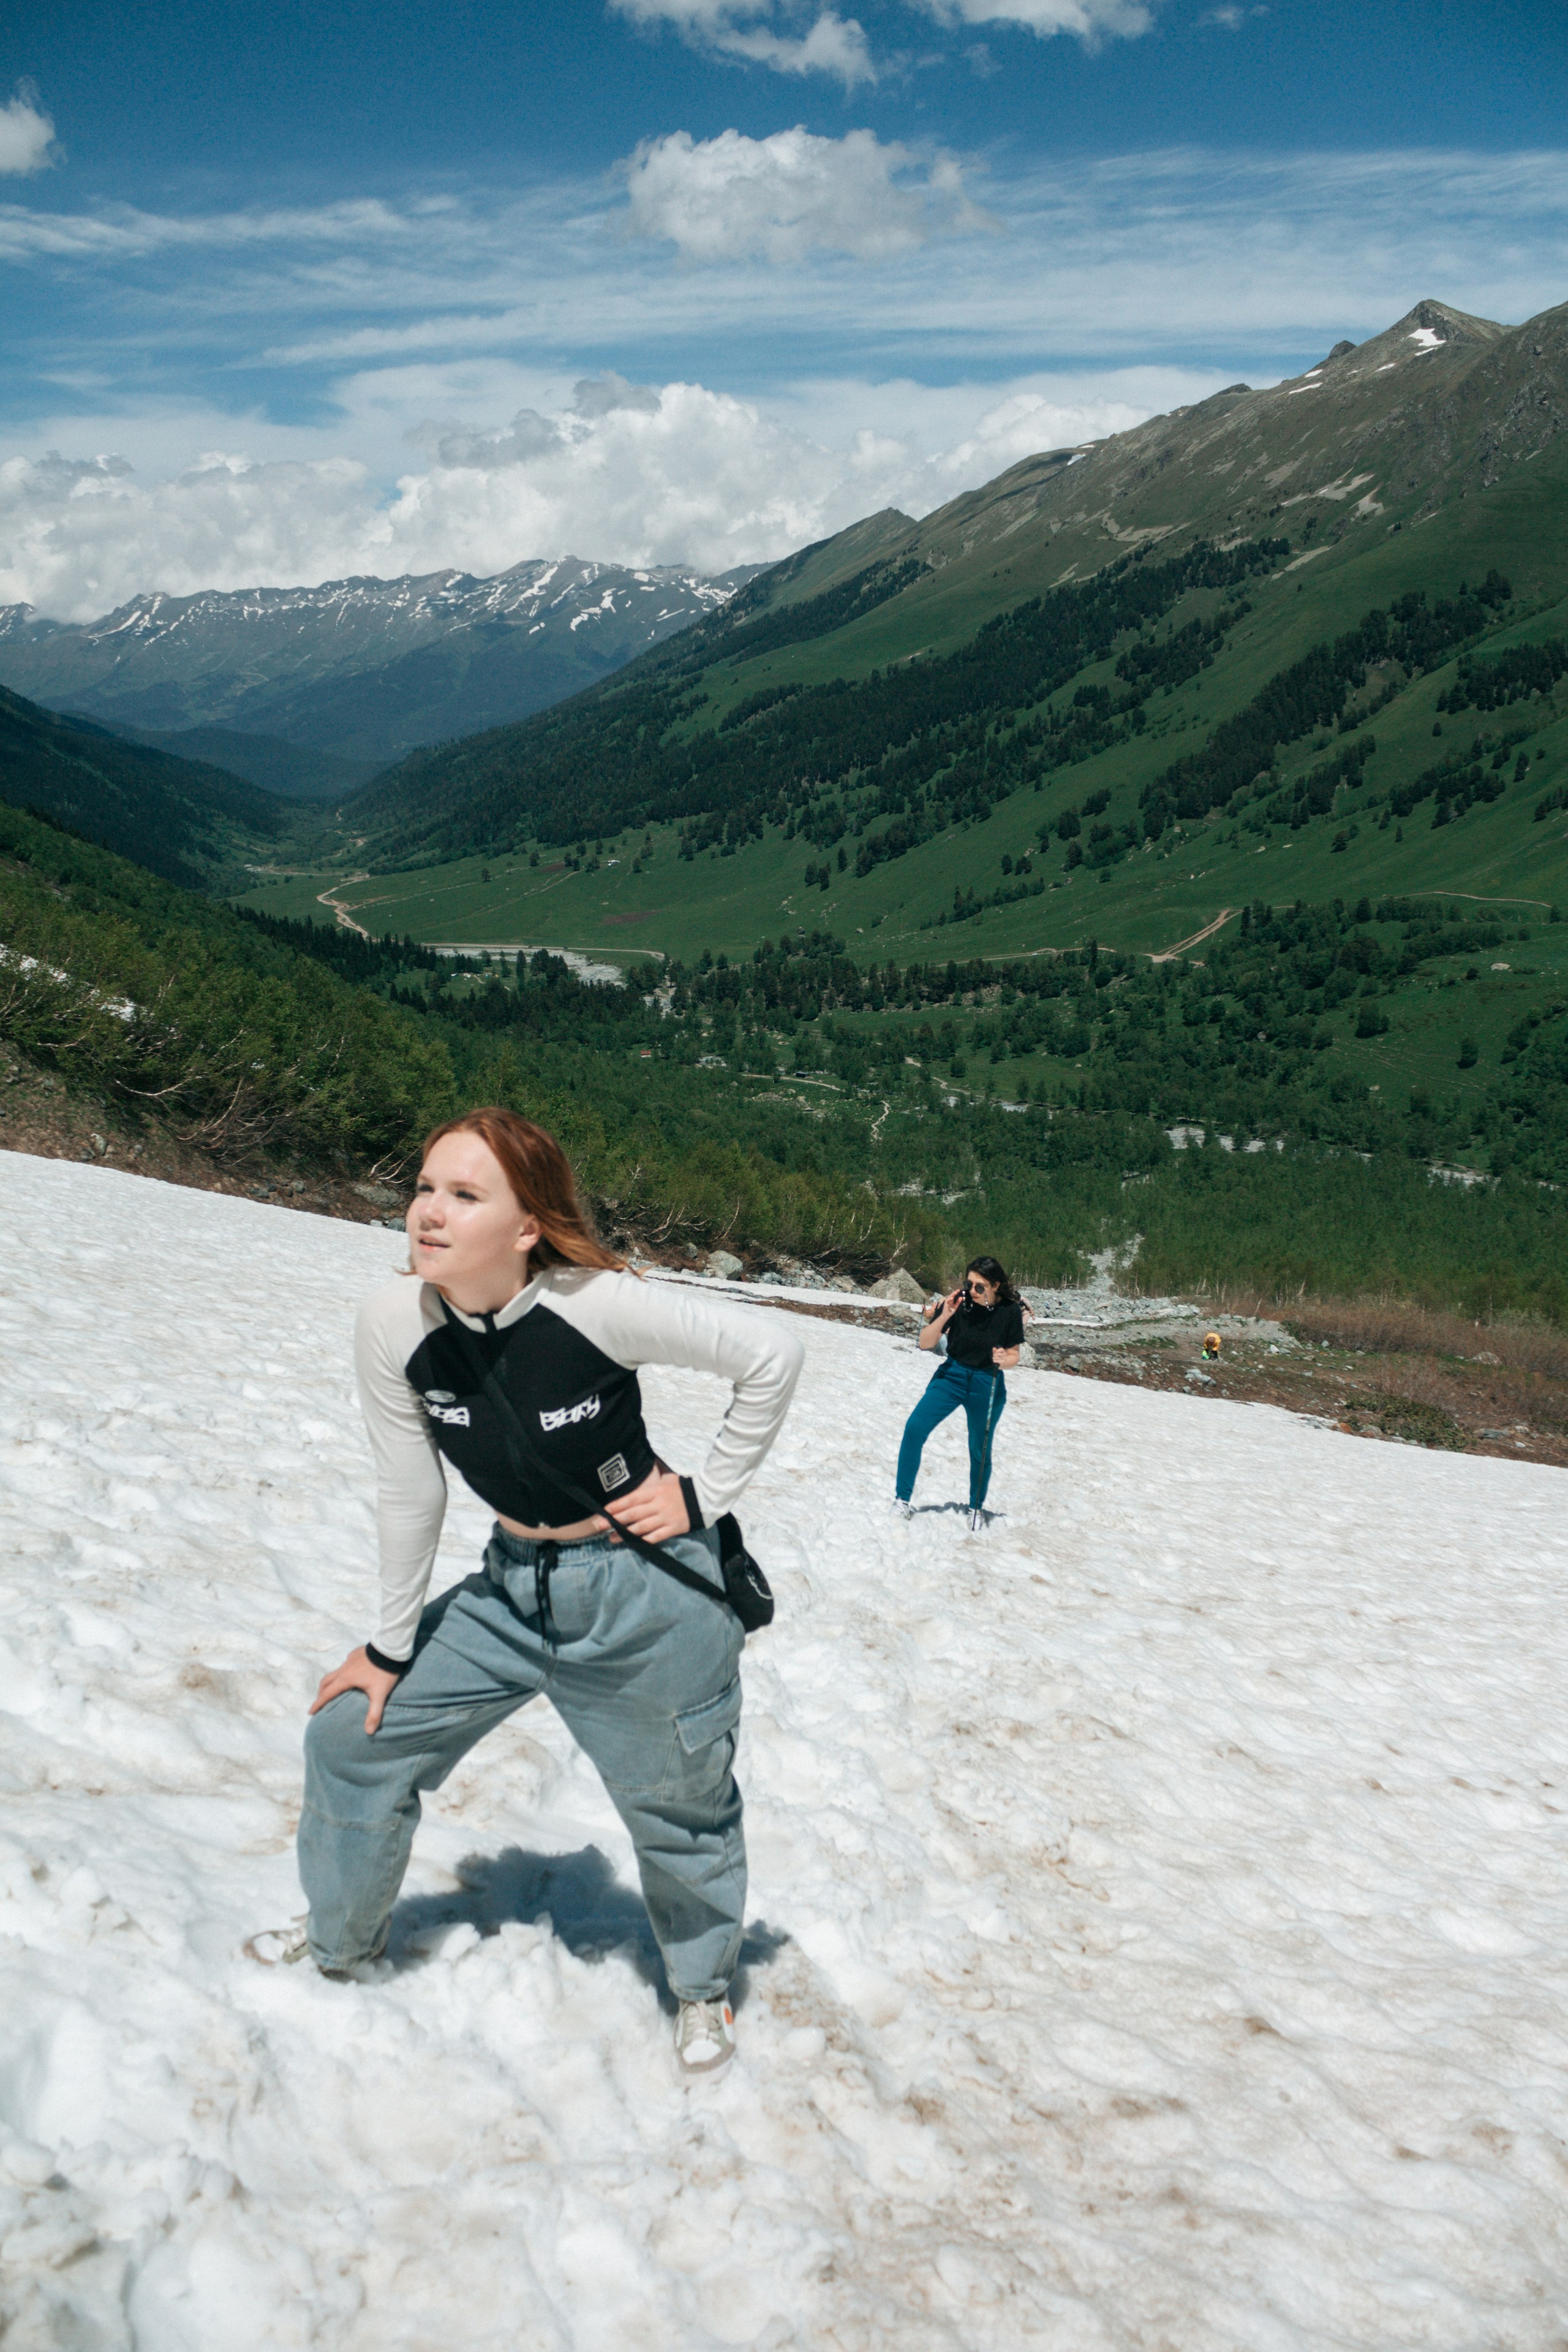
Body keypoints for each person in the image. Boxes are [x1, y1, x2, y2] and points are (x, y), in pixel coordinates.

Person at [254, 1107, 802, 2077]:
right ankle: (340, 1944)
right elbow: (411, 1489)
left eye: (465, 1195)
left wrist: (701, 1495)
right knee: (350, 1738)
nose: (429, 1211)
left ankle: (701, 1988)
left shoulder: (598, 1304)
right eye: (425, 1187)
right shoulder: (395, 1321)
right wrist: (387, 1651)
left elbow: (772, 1357)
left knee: (680, 1810)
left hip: (644, 1598)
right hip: (509, 1593)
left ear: (527, 1227)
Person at [891, 1257, 1023, 1532]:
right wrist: (945, 1315)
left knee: (979, 1448)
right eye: (969, 1284)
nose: (972, 1290)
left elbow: (1014, 1356)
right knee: (914, 1428)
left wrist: (1003, 1360)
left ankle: (976, 1507)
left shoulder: (1010, 1311)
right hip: (951, 1375)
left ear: (995, 1286)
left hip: (987, 1383)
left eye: (980, 1286)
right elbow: (924, 1343)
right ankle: (902, 1500)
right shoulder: (959, 1303)